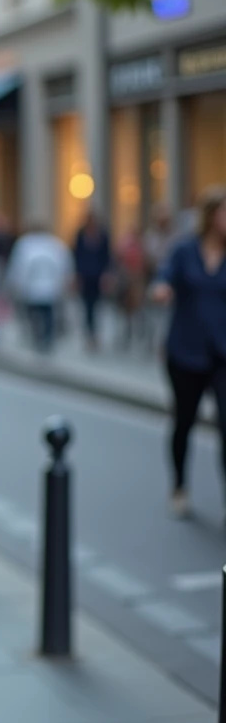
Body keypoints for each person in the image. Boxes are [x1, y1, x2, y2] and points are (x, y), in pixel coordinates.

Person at [150, 186, 226, 521]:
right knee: (184, 422)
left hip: (222, 354)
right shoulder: (184, 250)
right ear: (211, 216)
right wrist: (161, 289)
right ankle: (179, 486)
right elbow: (163, 277)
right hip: (185, 351)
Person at [5, 221, 73, 353]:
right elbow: (64, 265)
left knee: (34, 313)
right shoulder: (55, 244)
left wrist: (15, 283)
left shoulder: (25, 244)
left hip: (32, 286)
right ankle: (45, 338)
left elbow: (19, 266)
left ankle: (40, 337)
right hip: (49, 286)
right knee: (47, 313)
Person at [72, 211, 112, 351]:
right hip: (85, 276)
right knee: (87, 306)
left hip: (98, 277)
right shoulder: (81, 235)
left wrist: (106, 275)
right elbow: (77, 256)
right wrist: (77, 275)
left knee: (97, 306)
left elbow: (106, 256)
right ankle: (90, 334)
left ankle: (95, 334)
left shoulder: (103, 235)